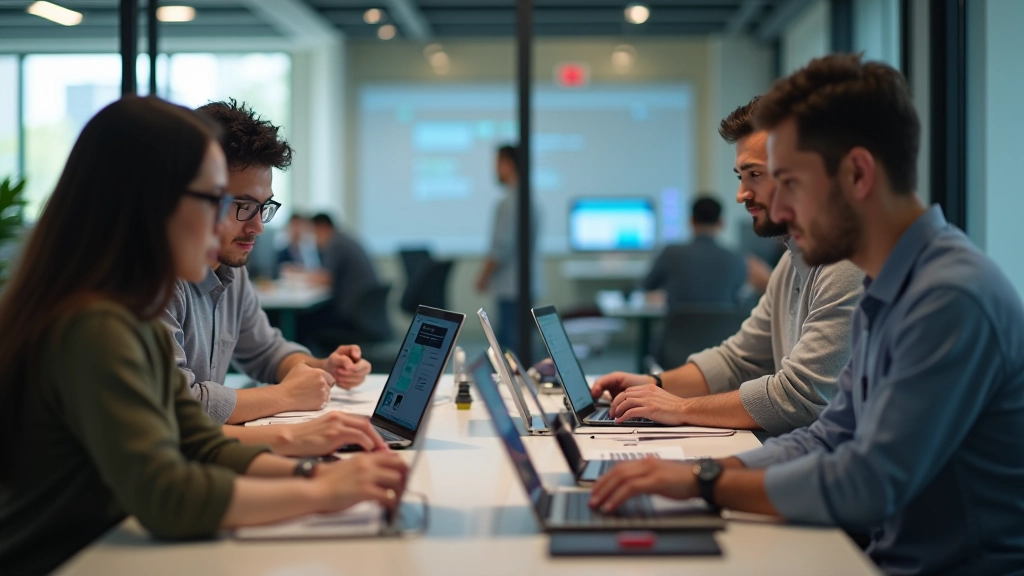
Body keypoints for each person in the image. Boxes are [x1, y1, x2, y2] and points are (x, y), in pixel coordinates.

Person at [590, 54, 1024, 575]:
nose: (779, 209)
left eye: (790, 182)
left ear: (858, 174)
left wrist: (705, 483)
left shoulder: (948, 297)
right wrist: (696, 474)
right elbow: (826, 438)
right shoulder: (889, 284)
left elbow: (866, 483)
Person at [0, 97, 407, 575]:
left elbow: (196, 442)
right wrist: (319, 490)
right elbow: (167, 494)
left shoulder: (133, 311)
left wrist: (318, 472)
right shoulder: (95, 324)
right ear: (153, 203)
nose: (229, 226)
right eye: (218, 201)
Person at [590, 97, 864, 434]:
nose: (741, 194)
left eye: (755, 175)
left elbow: (802, 395)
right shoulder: (791, 263)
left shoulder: (848, 263)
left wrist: (681, 408)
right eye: (740, 177)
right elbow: (738, 360)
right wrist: (653, 384)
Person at [161, 99, 376, 456]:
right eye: (243, 206)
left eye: (264, 207)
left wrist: (320, 369)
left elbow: (265, 350)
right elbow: (178, 409)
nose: (258, 226)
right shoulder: (154, 279)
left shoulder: (232, 269)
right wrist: (285, 396)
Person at [475, 144, 542, 352]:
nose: (495, 169)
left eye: (497, 163)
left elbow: (501, 247)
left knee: (509, 350)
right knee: (521, 344)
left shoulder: (510, 202)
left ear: (508, 164)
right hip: (524, 284)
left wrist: (483, 277)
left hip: (510, 287)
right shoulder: (530, 198)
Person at [643, 196, 758, 306]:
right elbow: (738, 293)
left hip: (680, 320)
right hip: (721, 321)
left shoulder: (670, 253)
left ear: (691, 220)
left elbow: (648, 285)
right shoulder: (736, 258)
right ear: (720, 223)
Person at [307, 212, 382, 335]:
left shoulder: (336, 244)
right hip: (364, 311)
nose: (314, 240)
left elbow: (325, 279)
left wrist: (298, 278)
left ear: (323, 228)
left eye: (314, 233)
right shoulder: (345, 239)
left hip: (352, 314)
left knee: (306, 320)